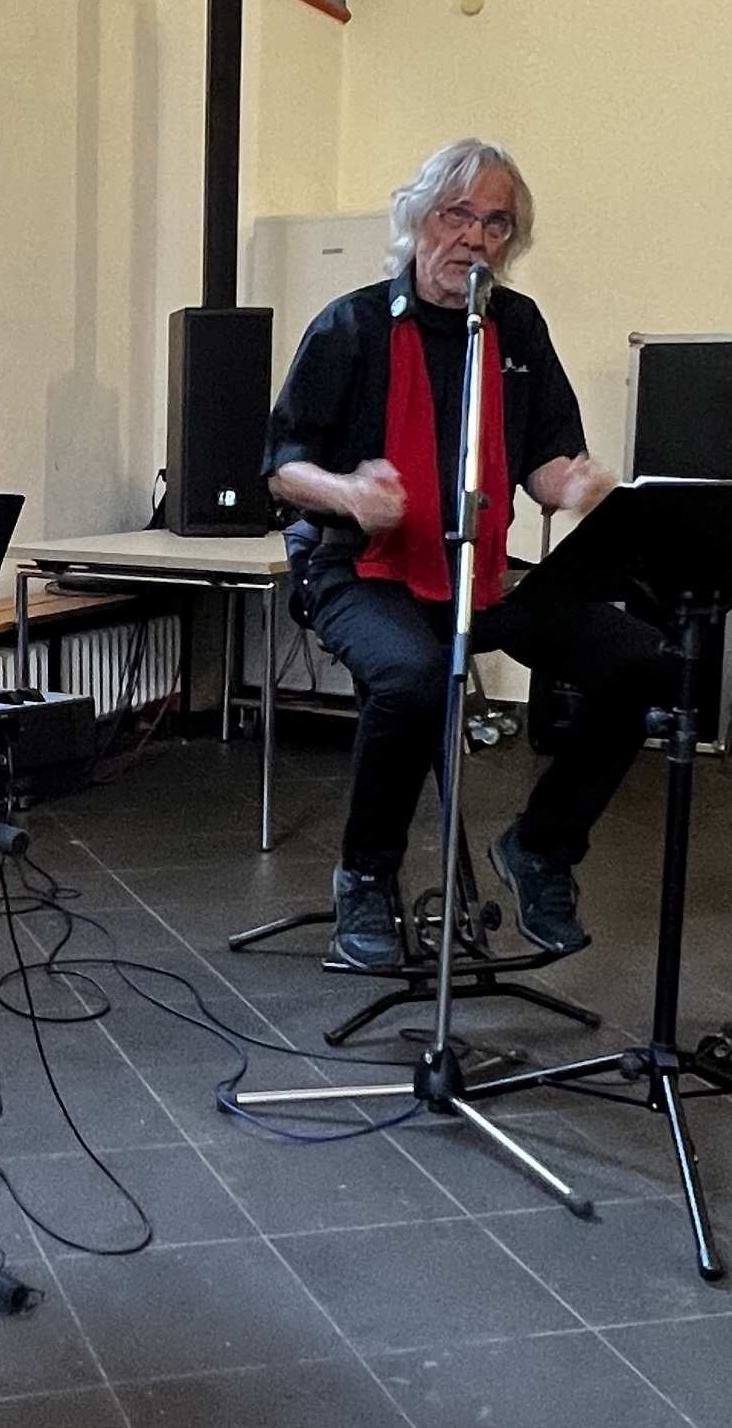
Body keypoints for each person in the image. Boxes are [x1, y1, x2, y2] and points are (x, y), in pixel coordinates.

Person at [263, 138, 667, 971]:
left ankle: (540, 848)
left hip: (476, 570)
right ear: (418, 219)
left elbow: (546, 460)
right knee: (411, 677)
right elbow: (280, 466)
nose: (475, 238)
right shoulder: (351, 325)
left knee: (637, 660)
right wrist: (348, 491)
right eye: (457, 215)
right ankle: (365, 875)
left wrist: (574, 484)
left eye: (496, 223)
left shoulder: (515, 327)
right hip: (356, 564)